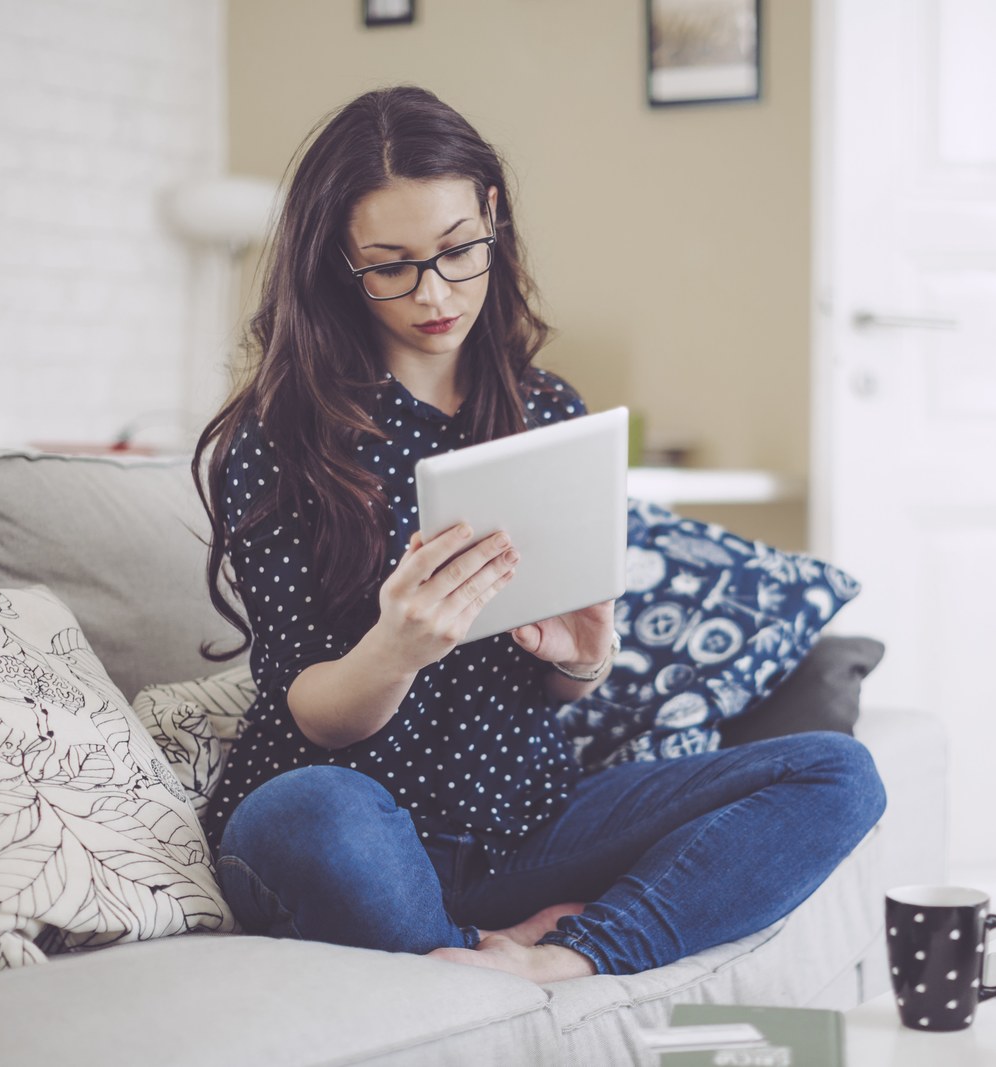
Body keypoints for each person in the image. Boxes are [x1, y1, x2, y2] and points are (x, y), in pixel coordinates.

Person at [192, 85, 886, 983]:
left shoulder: (545, 410)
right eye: (392, 264)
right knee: (313, 811)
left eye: (456, 251)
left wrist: (582, 658)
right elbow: (307, 712)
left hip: (525, 822)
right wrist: (394, 651)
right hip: (351, 818)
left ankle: (558, 958)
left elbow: (545, 691)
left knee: (837, 773)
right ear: (338, 260)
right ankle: (468, 948)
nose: (434, 292)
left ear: (493, 214)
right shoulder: (278, 436)